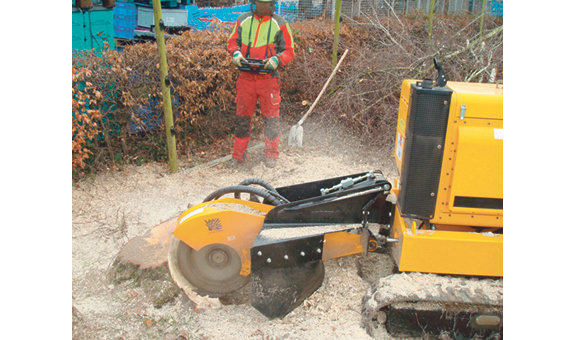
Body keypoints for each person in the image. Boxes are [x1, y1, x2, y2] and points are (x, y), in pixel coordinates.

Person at [227, 0, 295, 168]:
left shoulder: (279, 23)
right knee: (242, 118)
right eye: (259, 3)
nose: (263, 7)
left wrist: (276, 59)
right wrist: (235, 53)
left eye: (266, 3)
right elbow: (232, 42)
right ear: (254, 3)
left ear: (271, 4)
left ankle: (272, 154)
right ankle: (238, 155)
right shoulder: (243, 19)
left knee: (271, 119)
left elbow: (289, 50)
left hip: (268, 78)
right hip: (246, 77)